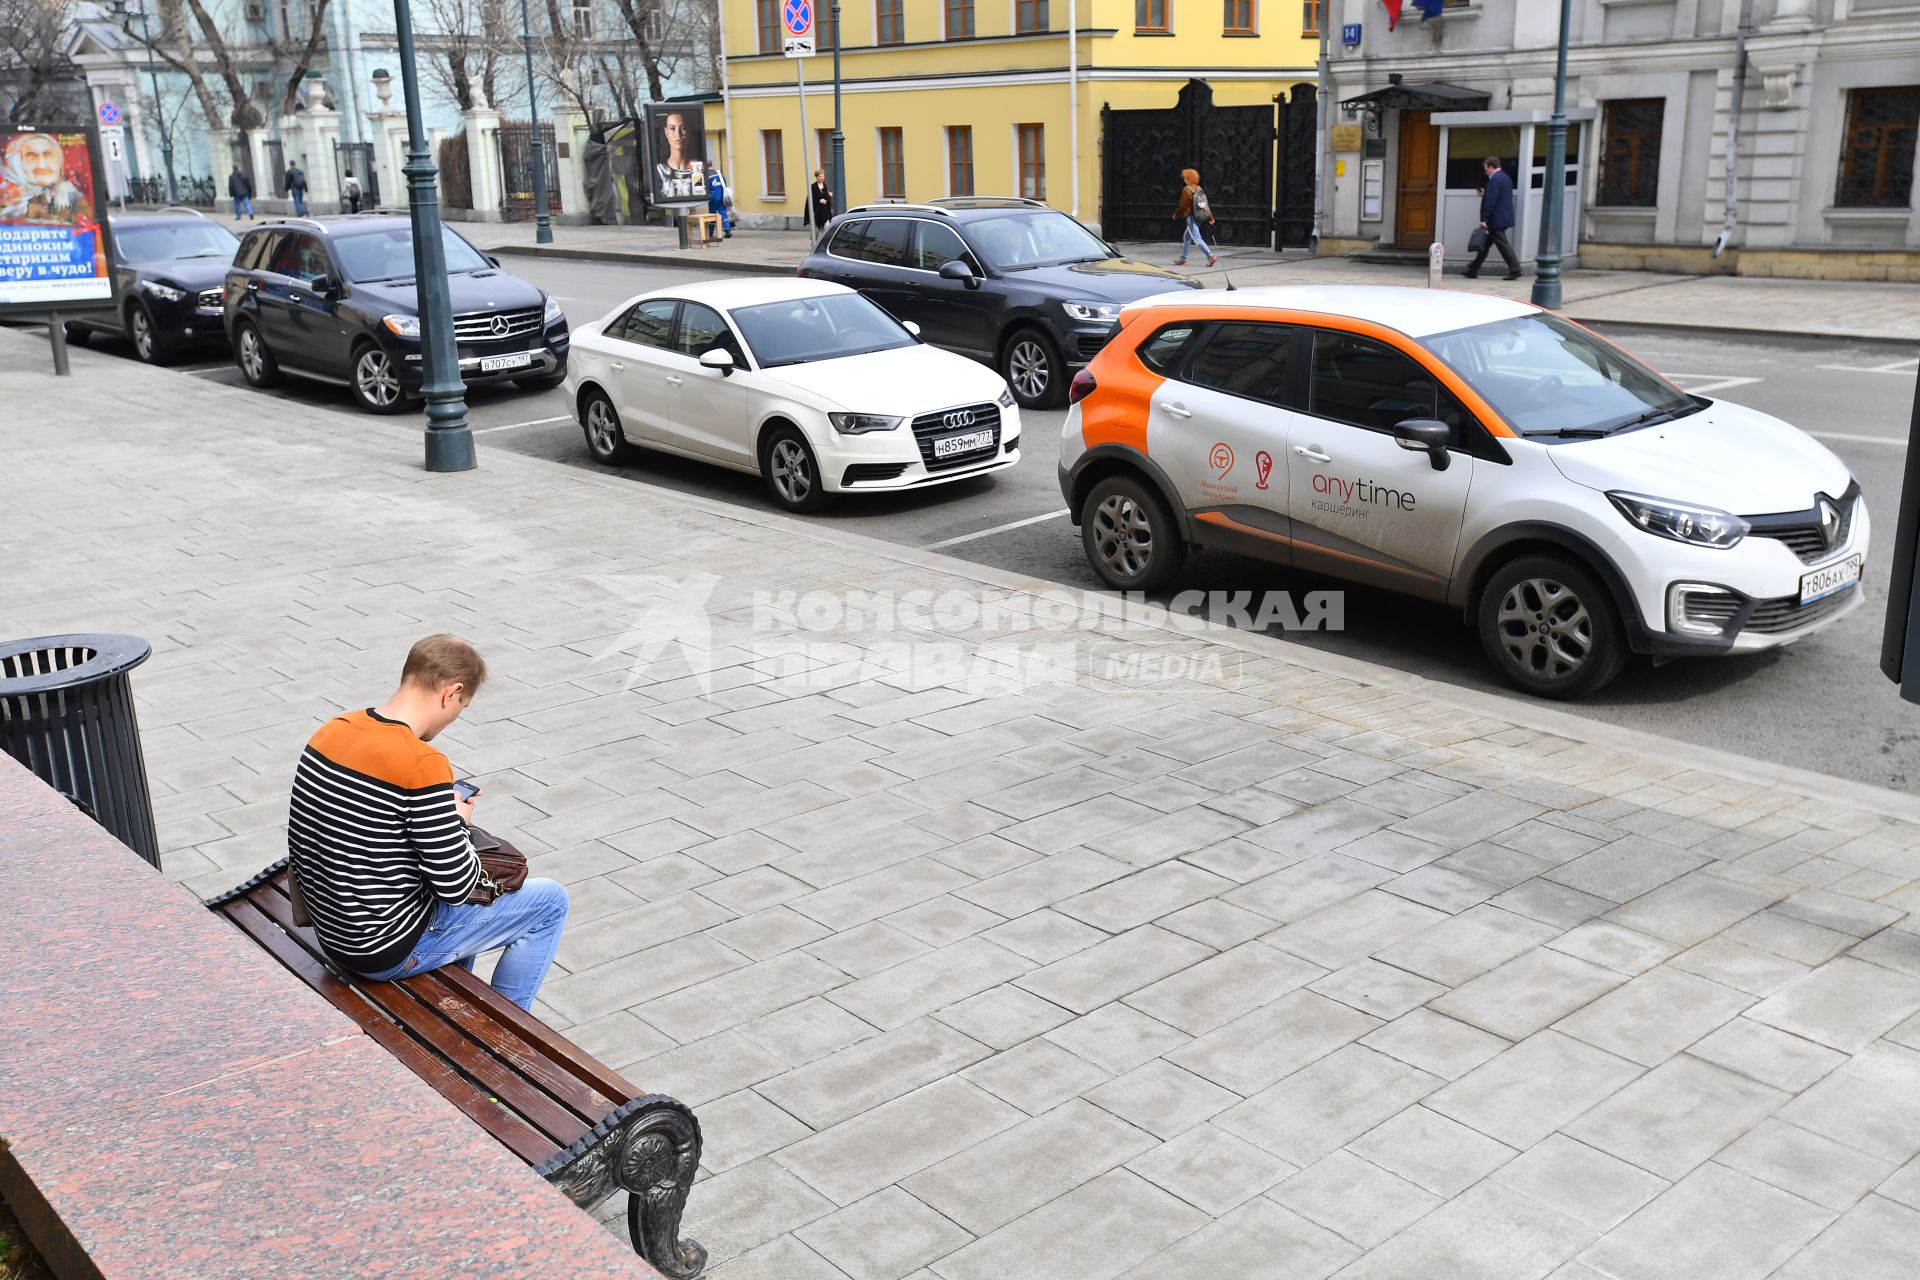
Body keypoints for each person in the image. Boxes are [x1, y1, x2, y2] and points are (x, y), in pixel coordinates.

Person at [286, 634, 569, 1011]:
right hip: (381, 949)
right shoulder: (421, 762)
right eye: (461, 706)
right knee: (550, 901)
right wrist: (458, 823)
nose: (454, 717)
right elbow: (456, 887)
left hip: (333, 930)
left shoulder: (333, 730)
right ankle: (506, 1036)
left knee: (466, 918)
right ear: (451, 693)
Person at [1, 132, 94, 226]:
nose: (42, 164)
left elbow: (89, 231)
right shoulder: (7, 197)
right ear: (17, 164)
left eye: (48, 154)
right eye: (31, 155)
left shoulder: (73, 198)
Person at [1465, 155, 1522, 281]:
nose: (1485, 171)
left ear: (1491, 167)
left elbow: (1491, 201)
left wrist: (1484, 219)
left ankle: (1516, 269)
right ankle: (1473, 269)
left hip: (1496, 218)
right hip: (1502, 216)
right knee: (1484, 244)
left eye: (1486, 168)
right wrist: (1486, 193)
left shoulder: (1494, 180)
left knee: (1502, 244)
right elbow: (1497, 196)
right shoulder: (1505, 177)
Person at [1172, 167, 1217, 268]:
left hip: (1191, 217)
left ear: (1187, 179)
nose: (1184, 179)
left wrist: (1176, 214)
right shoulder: (1199, 188)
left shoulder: (1186, 190)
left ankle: (1210, 256)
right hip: (1200, 216)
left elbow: (1183, 206)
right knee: (1187, 236)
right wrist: (1211, 217)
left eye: (1185, 177)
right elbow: (1204, 205)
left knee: (1197, 239)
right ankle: (1183, 259)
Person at [653, 111, 699, 200]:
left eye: (683, 128)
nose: (678, 134)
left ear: (689, 132)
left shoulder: (697, 168)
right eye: (672, 128)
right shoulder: (659, 170)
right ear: (666, 132)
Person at [705, 165, 733, 238]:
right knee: (723, 213)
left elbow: (705, 187)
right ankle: (727, 230)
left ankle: (710, 233)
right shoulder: (718, 173)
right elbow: (724, 182)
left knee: (712, 215)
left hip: (712, 198)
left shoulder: (706, 175)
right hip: (721, 196)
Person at [806, 169, 833, 242]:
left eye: (823, 176)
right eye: (820, 176)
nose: (822, 178)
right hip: (817, 212)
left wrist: (830, 195)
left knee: (827, 228)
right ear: (817, 177)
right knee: (816, 230)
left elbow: (827, 196)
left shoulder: (825, 185)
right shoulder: (813, 187)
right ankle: (813, 244)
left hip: (825, 211)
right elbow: (810, 199)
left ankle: (825, 244)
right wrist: (819, 201)